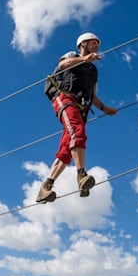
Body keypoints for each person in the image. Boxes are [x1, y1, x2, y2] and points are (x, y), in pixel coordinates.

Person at [36, 32, 117, 203]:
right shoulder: (72, 56)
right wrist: (84, 59)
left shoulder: (93, 71)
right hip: (65, 98)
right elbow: (62, 65)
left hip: (81, 107)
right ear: (83, 45)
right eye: (93, 43)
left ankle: (46, 187)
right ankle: (81, 175)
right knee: (77, 132)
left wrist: (104, 108)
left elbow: (91, 95)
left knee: (66, 150)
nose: (96, 46)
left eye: (97, 43)